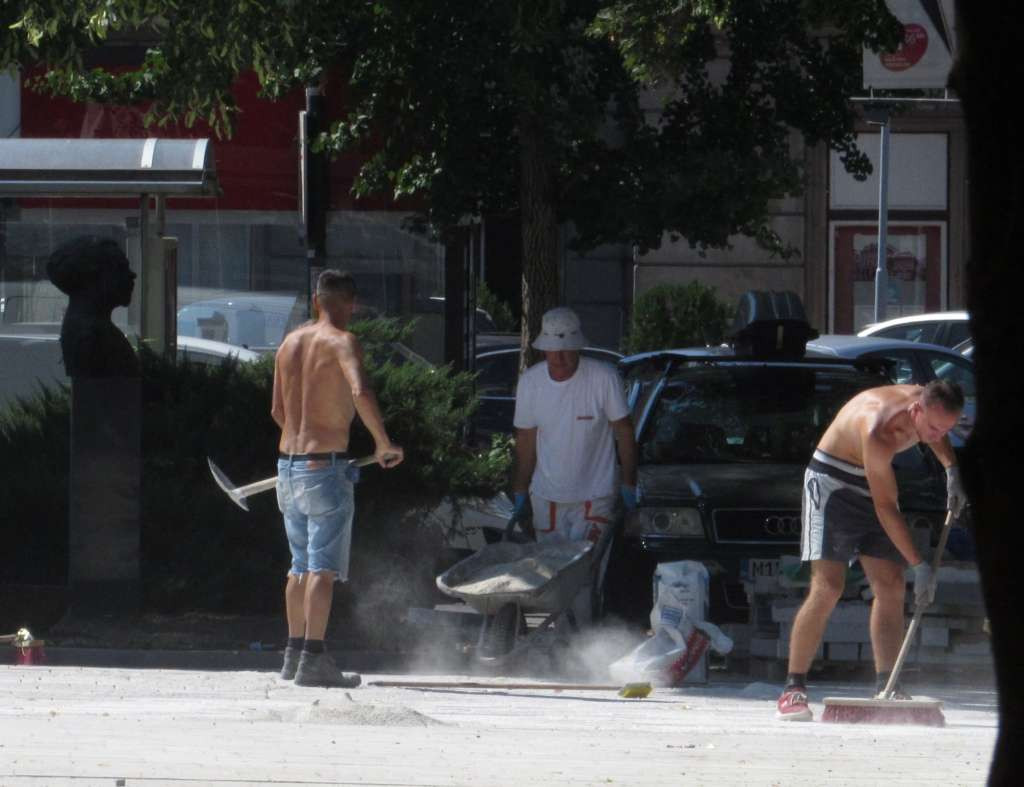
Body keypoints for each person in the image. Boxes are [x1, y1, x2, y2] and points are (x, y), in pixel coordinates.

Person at [776, 380, 967, 720]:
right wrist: (919, 564)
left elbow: (938, 433)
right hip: (832, 484)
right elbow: (886, 507)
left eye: (946, 430)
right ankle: (793, 688)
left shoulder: (927, 401)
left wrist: (952, 470)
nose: (939, 437)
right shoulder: (881, 430)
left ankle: (887, 685)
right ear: (916, 411)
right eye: (935, 428)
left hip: (873, 481)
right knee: (829, 587)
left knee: (891, 585)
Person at [272, 270, 403, 687]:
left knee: (297, 568)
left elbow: (277, 410)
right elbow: (361, 390)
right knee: (322, 569)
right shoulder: (343, 342)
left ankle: (292, 655)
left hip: (287, 467)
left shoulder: (289, 343)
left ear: (316, 301)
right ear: (350, 303)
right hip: (323, 468)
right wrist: (383, 442)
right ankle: (315, 658)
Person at [510, 306, 637, 625]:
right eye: (554, 351)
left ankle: (584, 644)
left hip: (593, 496)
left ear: (579, 346)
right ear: (544, 350)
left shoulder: (602, 378)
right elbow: (526, 439)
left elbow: (624, 431)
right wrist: (520, 488)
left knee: (584, 578)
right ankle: (561, 642)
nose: (560, 358)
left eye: (567, 350)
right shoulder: (532, 383)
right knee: (552, 578)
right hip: (547, 497)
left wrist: (628, 482)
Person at [47, 236, 139, 378]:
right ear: (94, 277)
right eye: (120, 268)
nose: (133, 275)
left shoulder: (93, 330)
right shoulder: (90, 336)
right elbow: (97, 396)